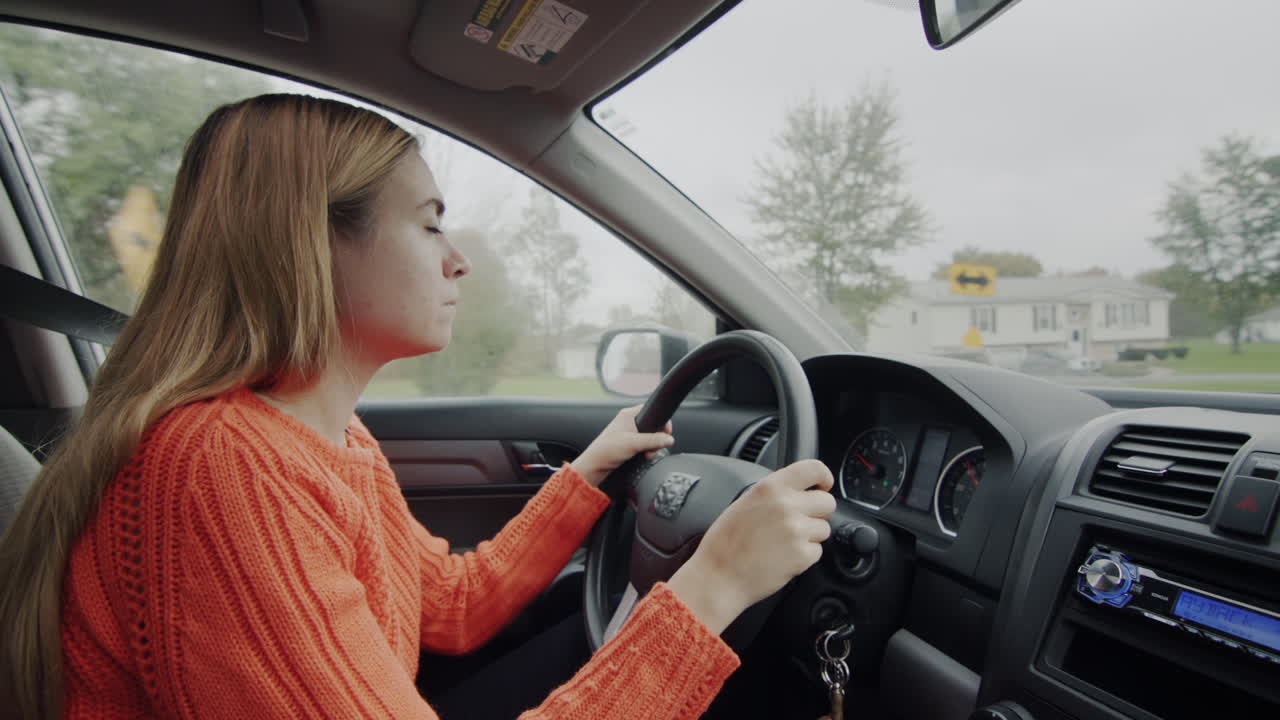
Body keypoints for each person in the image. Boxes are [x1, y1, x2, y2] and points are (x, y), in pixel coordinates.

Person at [0, 94, 836, 719]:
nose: (459, 261)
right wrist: (715, 584)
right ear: (314, 241)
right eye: (431, 225)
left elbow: (453, 605)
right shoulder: (221, 470)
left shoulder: (323, 436)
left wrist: (585, 476)